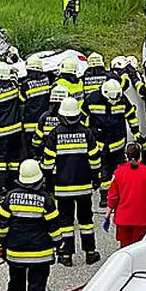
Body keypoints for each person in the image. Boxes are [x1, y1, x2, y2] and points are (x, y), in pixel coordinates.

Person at [41, 97, 102, 266]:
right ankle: (90, 252)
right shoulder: (86, 132)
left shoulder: (55, 134)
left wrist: (48, 180)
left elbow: (47, 162)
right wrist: (95, 176)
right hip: (83, 186)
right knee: (86, 221)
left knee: (65, 222)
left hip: (62, 187)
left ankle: (66, 255)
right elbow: (95, 159)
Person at [0, 159, 62, 291]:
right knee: (36, 288)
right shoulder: (46, 199)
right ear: (39, 178)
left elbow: (2, 224)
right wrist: (58, 243)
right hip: (40, 255)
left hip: (15, 253)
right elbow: (54, 226)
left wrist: (2, 241)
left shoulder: (10, 197)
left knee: (16, 285)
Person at [84, 79, 140, 207]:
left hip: (117, 142)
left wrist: (136, 131)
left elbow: (131, 115)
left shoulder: (122, 98)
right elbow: (82, 117)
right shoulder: (92, 98)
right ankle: (105, 198)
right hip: (99, 143)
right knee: (104, 172)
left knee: (121, 171)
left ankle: (122, 196)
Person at [107, 142, 146, 247]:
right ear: (140, 156)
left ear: (126, 156)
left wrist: (108, 215)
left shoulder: (119, 172)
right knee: (139, 248)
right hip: (142, 218)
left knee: (125, 248)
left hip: (123, 218)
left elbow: (112, 197)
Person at [0, 63, 26, 193]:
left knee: (0, 159)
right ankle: (14, 182)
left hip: (0, 131)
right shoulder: (13, 88)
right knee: (15, 158)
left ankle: (0, 185)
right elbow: (21, 99)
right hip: (16, 129)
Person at [20, 57, 53, 152]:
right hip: (45, 121)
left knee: (32, 149)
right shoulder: (47, 79)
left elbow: (21, 100)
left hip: (30, 122)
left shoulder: (26, 84)